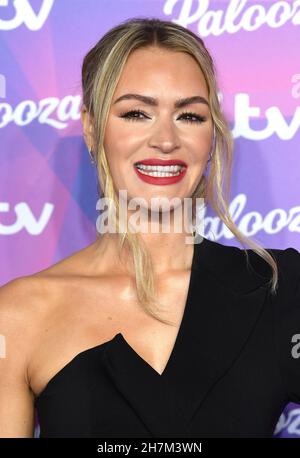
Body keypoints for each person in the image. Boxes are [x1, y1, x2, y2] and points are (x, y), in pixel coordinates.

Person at [0, 17, 299, 438]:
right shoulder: (18, 315)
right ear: (91, 126)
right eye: (137, 113)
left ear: (211, 133)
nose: (165, 139)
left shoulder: (276, 289)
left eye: (190, 116)